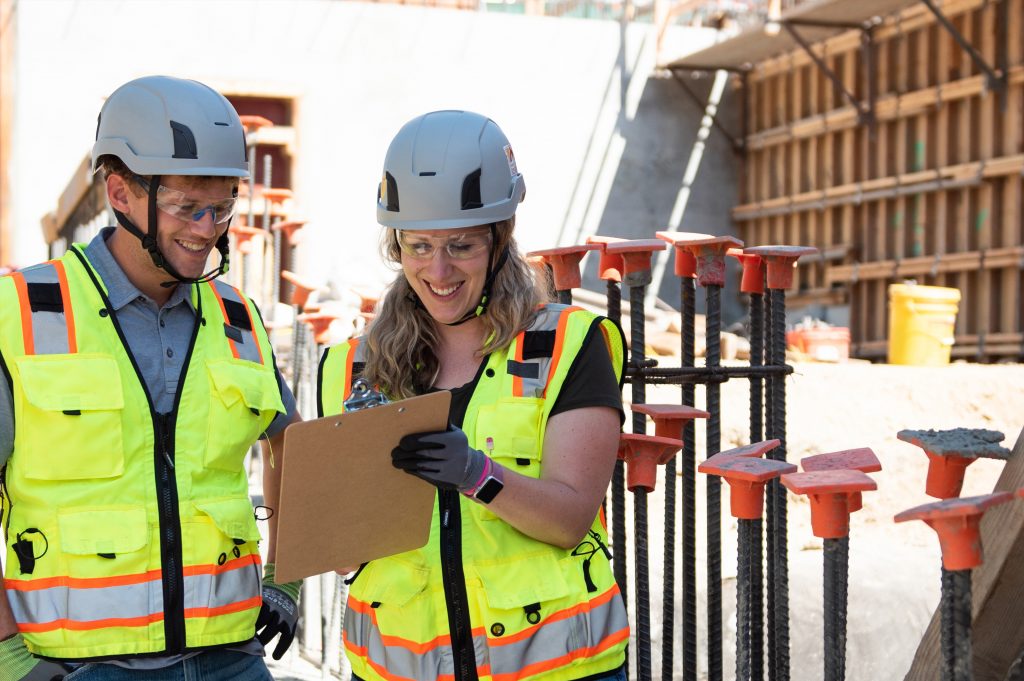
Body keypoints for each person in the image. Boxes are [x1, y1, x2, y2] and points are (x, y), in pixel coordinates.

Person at [0, 76, 303, 681]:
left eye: (223, 206)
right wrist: (7, 654)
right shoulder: (21, 315)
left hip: (231, 660)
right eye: (187, 206)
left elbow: (296, 452)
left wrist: (285, 579)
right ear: (120, 192)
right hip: (75, 667)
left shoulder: (239, 318)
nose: (208, 228)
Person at [318, 110, 629, 681]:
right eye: (418, 246)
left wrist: (476, 475)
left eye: (461, 246)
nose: (438, 270)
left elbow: (569, 520)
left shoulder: (566, 346)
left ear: (499, 239)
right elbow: (344, 551)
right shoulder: (352, 369)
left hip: (552, 669)